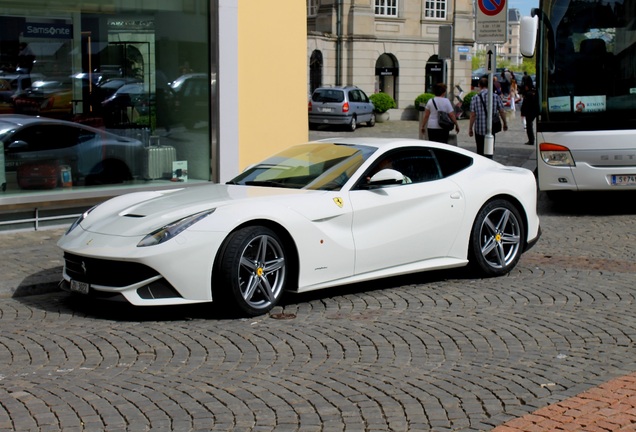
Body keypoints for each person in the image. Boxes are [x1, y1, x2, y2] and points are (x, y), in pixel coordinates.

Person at [468, 77, 508, 157]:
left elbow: (473, 115)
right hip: (491, 128)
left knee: (480, 151)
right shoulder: (495, 97)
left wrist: (470, 128)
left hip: (479, 128)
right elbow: (502, 111)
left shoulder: (475, 98)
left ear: (479, 85)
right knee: (489, 150)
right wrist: (505, 123)